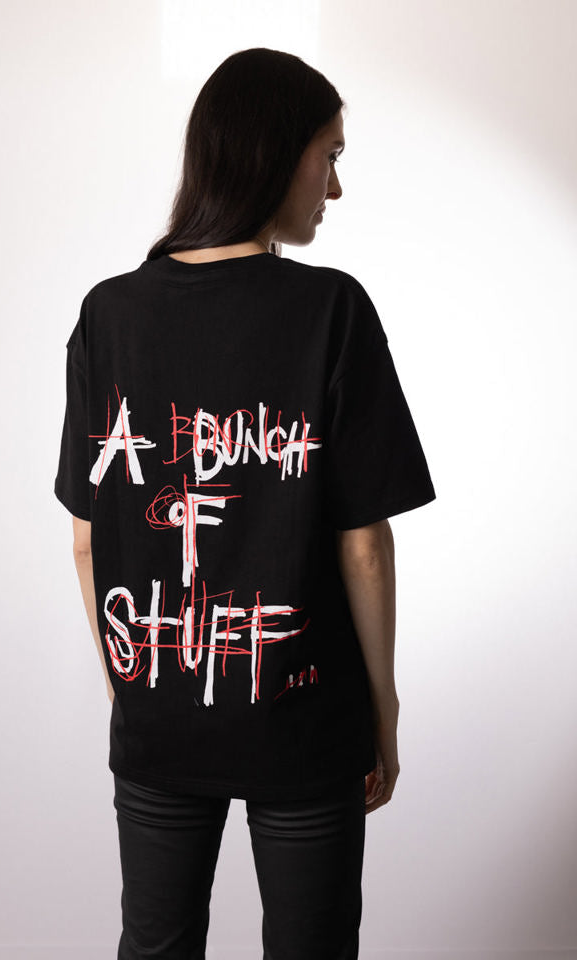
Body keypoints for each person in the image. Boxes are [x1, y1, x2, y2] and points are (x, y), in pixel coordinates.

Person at [54, 47, 436, 960]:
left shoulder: (109, 314)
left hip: (159, 711)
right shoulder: (331, 310)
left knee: (155, 946)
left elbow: (86, 538)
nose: (335, 188)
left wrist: (131, 684)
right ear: (273, 153)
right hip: (306, 720)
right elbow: (363, 546)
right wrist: (382, 709)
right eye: (328, 156)